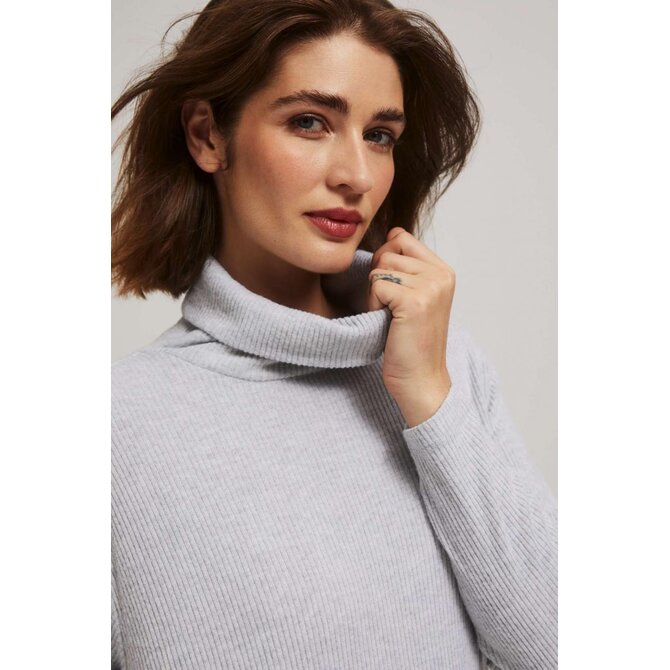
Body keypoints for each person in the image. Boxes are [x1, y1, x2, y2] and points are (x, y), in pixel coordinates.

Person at [111, 0, 558, 668]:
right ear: (207, 136)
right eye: (310, 122)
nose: (356, 175)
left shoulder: (447, 371)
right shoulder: (115, 424)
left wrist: (430, 398)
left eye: (380, 135)